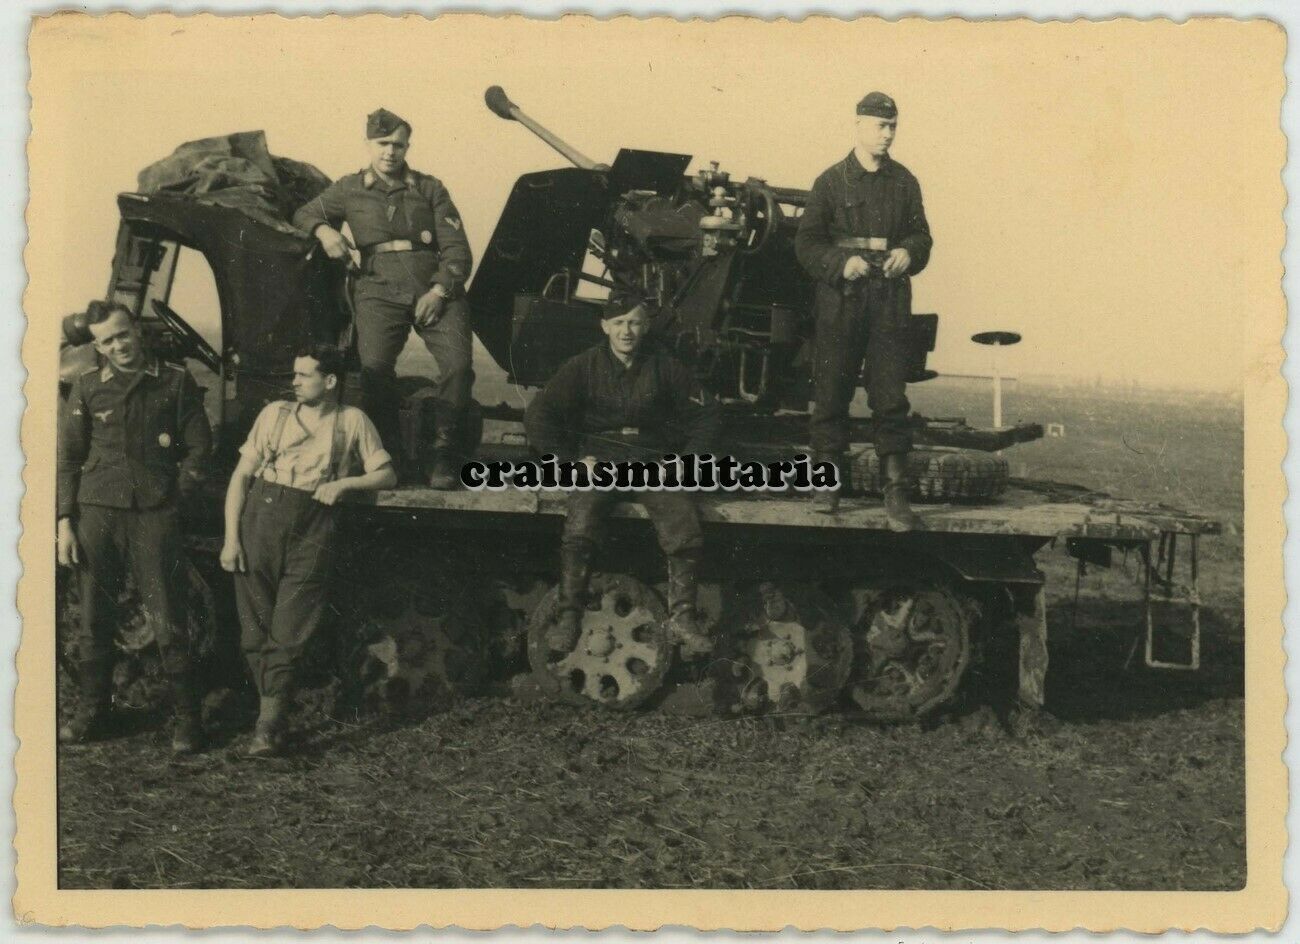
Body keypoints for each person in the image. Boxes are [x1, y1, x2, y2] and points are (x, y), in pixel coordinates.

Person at [221, 344, 397, 757]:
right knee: (253, 632)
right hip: (260, 521)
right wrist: (231, 539)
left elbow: (386, 475)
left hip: (314, 528)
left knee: (289, 631)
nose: (294, 382)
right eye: (294, 374)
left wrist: (344, 484)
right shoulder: (274, 415)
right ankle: (271, 711)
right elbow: (241, 477)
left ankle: (268, 726)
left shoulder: (352, 421)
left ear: (330, 381)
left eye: (304, 375)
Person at [524, 295, 721, 658]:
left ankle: (683, 618)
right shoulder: (583, 366)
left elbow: (707, 415)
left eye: (633, 322)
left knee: (682, 523)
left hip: (650, 461)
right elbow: (539, 414)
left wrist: (685, 461)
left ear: (645, 327)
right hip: (601, 460)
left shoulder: (665, 367)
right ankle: (569, 616)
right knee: (580, 523)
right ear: (605, 327)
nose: (626, 331)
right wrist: (569, 461)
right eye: (618, 323)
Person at [56, 302, 212, 753]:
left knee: (167, 615)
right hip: (97, 511)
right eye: (107, 341)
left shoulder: (175, 381)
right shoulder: (88, 386)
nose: (118, 346)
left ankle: (188, 720)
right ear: (98, 347)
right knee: (94, 615)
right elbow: (68, 458)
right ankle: (94, 711)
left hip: (153, 510)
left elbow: (200, 447)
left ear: (137, 332)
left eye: (123, 334)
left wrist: (175, 497)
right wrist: (65, 521)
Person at [292, 108, 474, 489]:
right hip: (377, 288)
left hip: (433, 287)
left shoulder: (430, 188)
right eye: (383, 143)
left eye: (398, 145)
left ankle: (443, 454)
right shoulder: (349, 188)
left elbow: (457, 250)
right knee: (373, 368)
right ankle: (389, 456)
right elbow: (304, 214)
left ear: (407, 147)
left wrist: (439, 292)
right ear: (368, 144)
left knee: (458, 365)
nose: (390, 152)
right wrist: (325, 232)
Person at [794, 91, 933, 529]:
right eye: (880, 125)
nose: (887, 134)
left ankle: (896, 493)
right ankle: (826, 486)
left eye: (893, 126)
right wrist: (841, 263)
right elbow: (806, 244)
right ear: (858, 125)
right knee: (831, 392)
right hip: (842, 300)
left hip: (889, 300)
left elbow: (922, 236)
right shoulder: (830, 182)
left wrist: (909, 253)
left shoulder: (905, 182)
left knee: (890, 396)